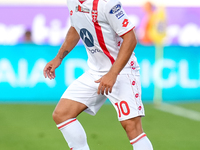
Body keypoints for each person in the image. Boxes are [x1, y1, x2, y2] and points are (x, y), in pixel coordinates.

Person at [43, 0, 153, 150]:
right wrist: (59, 57)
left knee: (132, 127)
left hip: (122, 71)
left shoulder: (107, 4)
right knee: (62, 114)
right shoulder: (72, 2)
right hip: (95, 71)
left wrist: (113, 73)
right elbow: (76, 27)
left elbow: (131, 37)